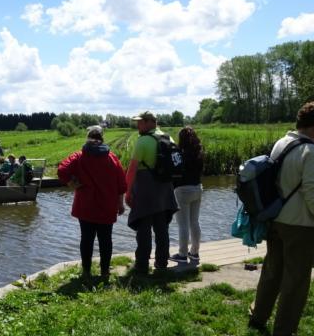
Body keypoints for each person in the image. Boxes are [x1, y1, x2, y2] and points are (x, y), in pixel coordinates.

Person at [248, 100, 314, 336]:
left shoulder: (282, 142)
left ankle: (258, 317)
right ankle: (284, 335)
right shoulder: (311, 151)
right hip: (299, 225)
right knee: (296, 281)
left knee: (272, 271)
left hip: (276, 219)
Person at [58, 125, 127, 279]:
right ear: (102, 139)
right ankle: (104, 272)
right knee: (106, 239)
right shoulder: (112, 158)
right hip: (107, 206)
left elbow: (62, 170)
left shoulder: (79, 156)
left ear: (87, 138)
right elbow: (121, 184)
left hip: (85, 206)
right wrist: (120, 204)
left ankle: (86, 271)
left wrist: (71, 182)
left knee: (86, 239)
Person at [125, 111, 178, 274]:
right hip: (164, 190)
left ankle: (142, 264)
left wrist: (127, 192)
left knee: (144, 229)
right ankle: (161, 263)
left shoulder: (143, 141)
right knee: (162, 230)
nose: (137, 126)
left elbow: (132, 169)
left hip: (146, 191)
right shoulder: (169, 138)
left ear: (149, 122)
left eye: (140, 122)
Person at [170, 126, 204, 264]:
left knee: (182, 225)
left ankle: (182, 255)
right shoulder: (199, 152)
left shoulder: (179, 153)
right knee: (194, 222)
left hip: (182, 190)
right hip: (198, 188)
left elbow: (174, 171)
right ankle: (194, 252)